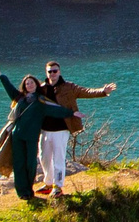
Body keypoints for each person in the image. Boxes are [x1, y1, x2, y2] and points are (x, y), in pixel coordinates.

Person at [0, 62, 78, 202]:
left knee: (30, 164)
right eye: (27, 83)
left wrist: (73, 113)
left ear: (36, 84)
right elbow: (8, 87)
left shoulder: (41, 102)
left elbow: (57, 111)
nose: (29, 85)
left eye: (32, 83)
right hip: (17, 136)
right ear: (24, 86)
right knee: (19, 164)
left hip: (31, 138)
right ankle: (22, 192)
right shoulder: (20, 98)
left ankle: (29, 190)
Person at [36, 60, 117, 199]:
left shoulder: (69, 87)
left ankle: (58, 186)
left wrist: (103, 91)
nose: (52, 74)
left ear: (59, 71)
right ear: (46, 73)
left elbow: (86, 92)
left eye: (55, 71)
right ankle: (48, 183)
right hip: (44, 129)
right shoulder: (42, 88)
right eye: (50, 71)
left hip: (61, 129)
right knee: (44, 157)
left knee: (58, 158)